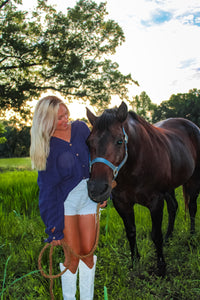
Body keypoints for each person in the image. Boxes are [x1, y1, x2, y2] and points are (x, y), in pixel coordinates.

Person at [30, 95, 105, 300]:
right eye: (60, 117)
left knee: (87, 255)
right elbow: (47, 191)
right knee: (72, 257)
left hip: (88, 197)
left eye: (66, 114)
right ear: (47, 121)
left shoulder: (81, 129)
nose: (66, 119)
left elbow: (97, 159)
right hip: (66, 204)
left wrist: (102, 192)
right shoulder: (47, 147)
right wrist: (53, 229)